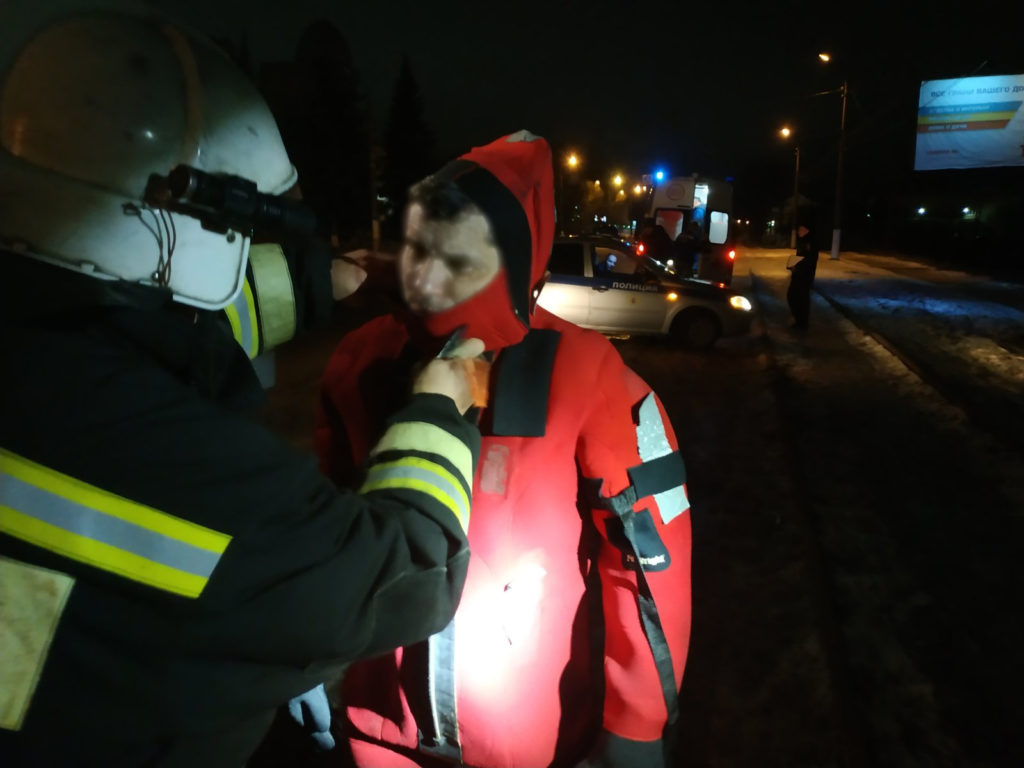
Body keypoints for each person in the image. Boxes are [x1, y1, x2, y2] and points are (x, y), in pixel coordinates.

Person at [0, 2, 486, 764]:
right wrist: (441, 411)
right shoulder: (196, 480)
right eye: (239, 234)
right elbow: (404, 574)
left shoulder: (48, 347)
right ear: (184, 220)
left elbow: (153, 324)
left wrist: (320, 281)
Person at [314, 131, 692, 768]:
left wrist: (636, 721)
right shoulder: (361, 359)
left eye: (459, 261)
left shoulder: (587, 373)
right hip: (376, 726)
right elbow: (320, 524)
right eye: (415, 248)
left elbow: (650, 556)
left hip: (520, 742)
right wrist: (309, 660)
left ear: (517, 268)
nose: (427, 279)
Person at [786, 215, 820, 329]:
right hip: (798, 275)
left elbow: (809, 260)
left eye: (801, 229)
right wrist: (793, 266)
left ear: (807, 230)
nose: (799, 231)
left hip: (805, 276)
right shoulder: (802, 241)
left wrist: (798, 267)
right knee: (792, 296)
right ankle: (799, 321)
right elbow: (799, 257)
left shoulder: (811, 242)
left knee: (801, 299)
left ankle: (802, 323)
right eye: (799, 229)